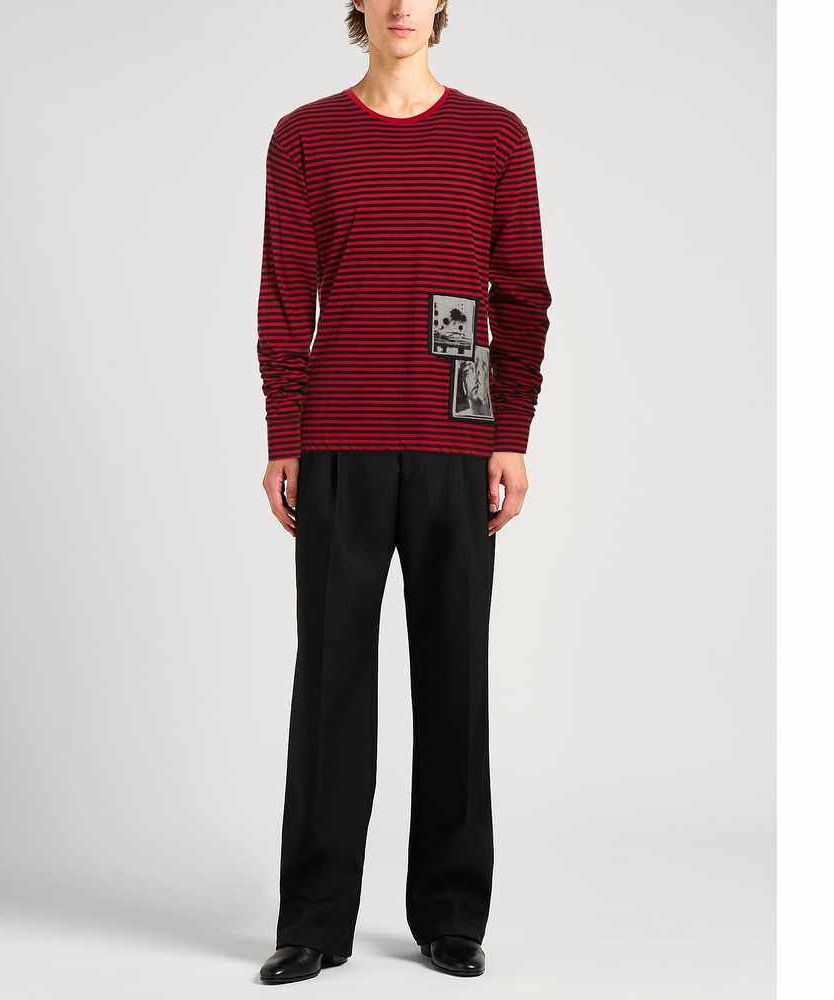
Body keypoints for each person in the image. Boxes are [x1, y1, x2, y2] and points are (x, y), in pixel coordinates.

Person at [256, 0, 552, 985]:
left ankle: (452, 916)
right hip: (337, 437)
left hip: (456, 442)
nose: (399, 6)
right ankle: (313, 922)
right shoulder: (305, 137)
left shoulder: (493, 136)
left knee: (455, 678)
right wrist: (285, 434)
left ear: (439, 7)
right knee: (330, 683)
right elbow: (286, 291)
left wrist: (508, 433)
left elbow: (519, 293)